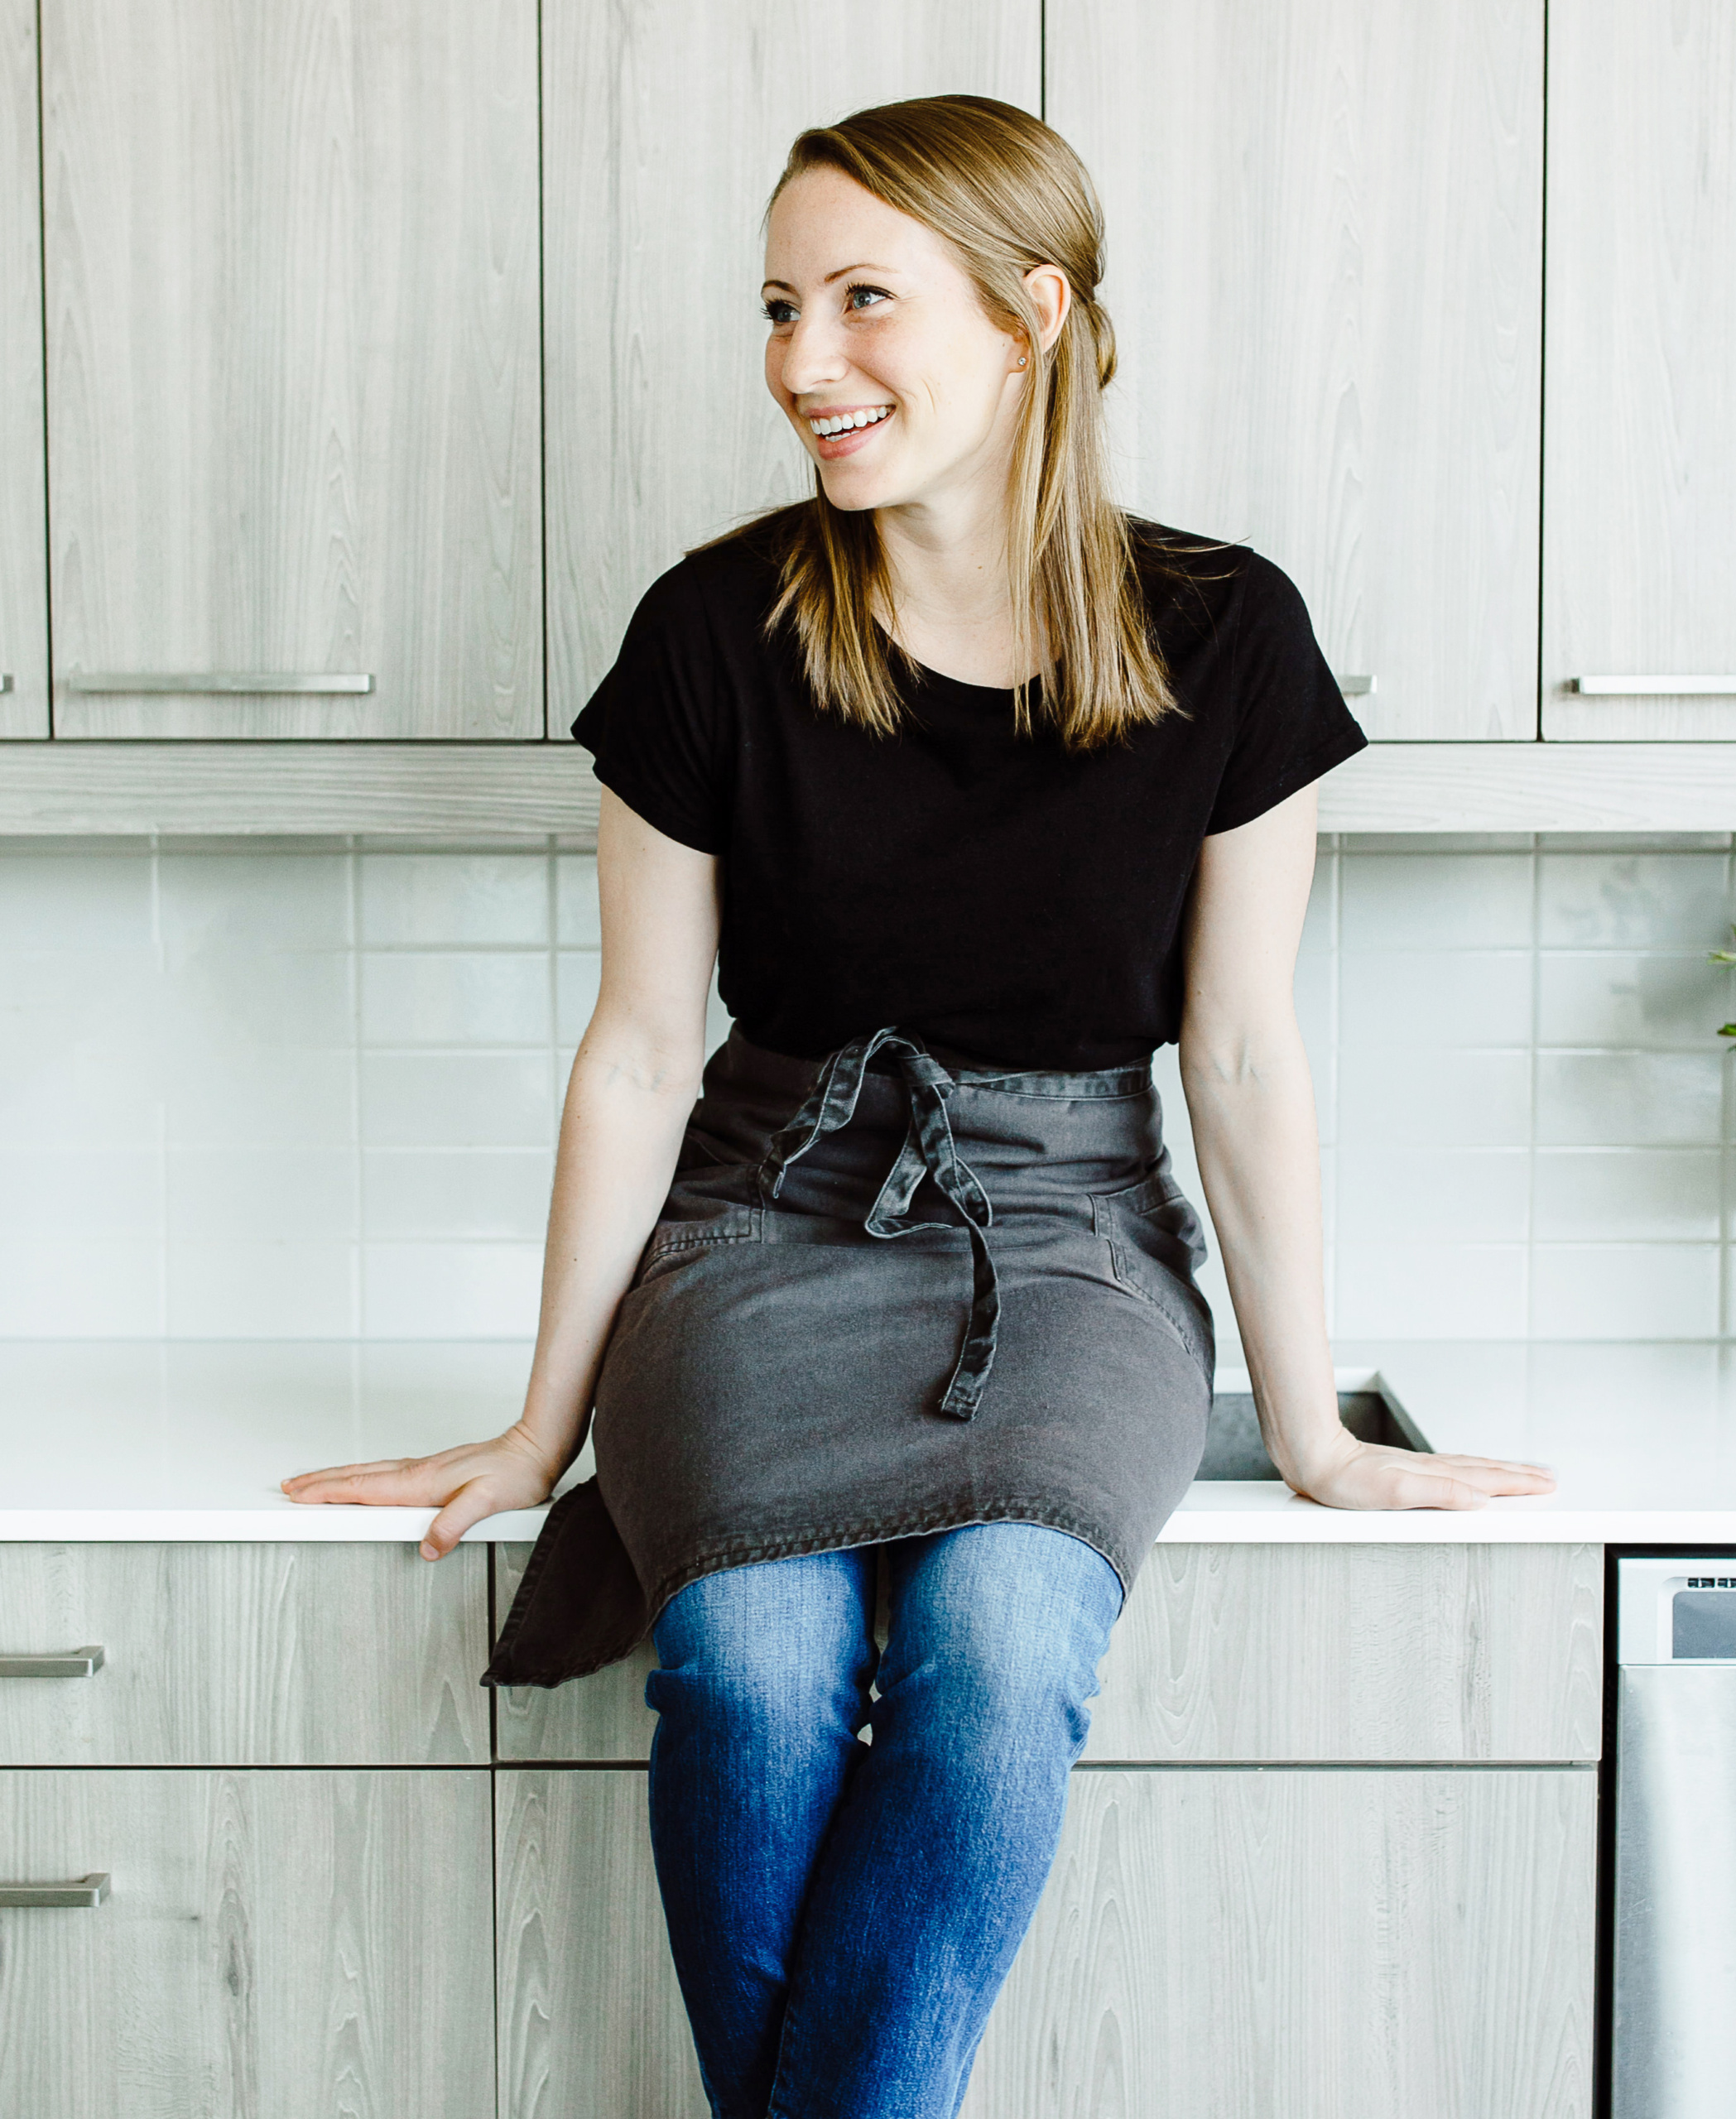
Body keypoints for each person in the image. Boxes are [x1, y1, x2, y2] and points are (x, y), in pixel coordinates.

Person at [282, 93, 1555, 2119]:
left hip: (1073, 1242)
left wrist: (1311, 1429)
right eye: (780, 306)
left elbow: (1238, 1053)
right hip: (760, 1225)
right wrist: (542, 1421)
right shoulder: (712, 631)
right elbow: (638, 1049)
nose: (805, 358)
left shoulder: (1228, 631)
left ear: (1032, 312)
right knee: (749, 1671)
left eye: (863, 298)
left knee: (999, 1660)